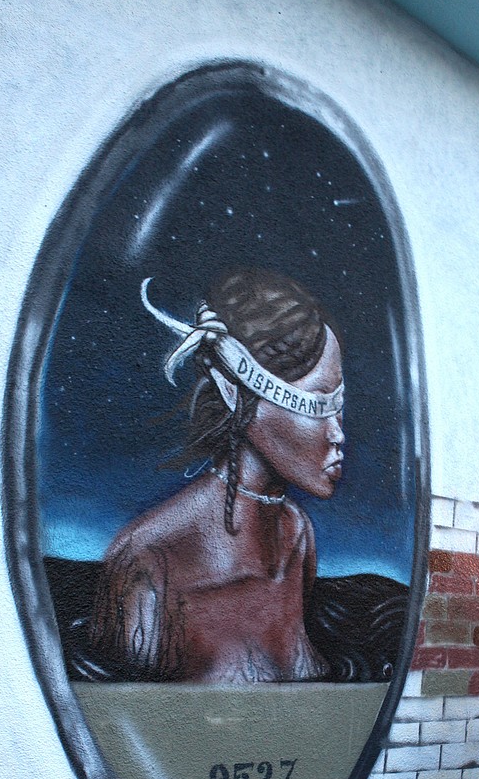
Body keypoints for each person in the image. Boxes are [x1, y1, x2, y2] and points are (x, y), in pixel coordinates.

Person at [88, 267, 345, 684]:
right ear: (232, 390)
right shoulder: (152, 565)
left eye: (339, 401)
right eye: (317, 403)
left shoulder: (297, 536)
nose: (337, 432)